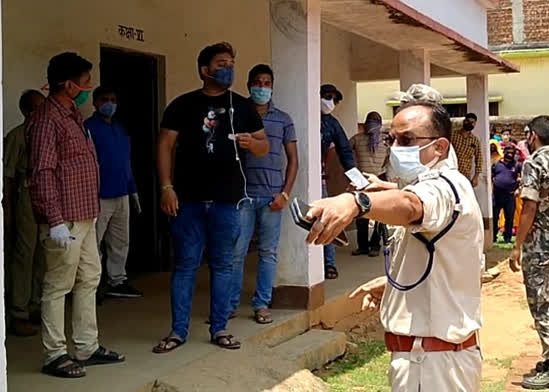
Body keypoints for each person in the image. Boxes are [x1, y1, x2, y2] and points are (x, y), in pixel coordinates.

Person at [307, 92, 484, 392]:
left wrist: (357, 202)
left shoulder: (444, 188)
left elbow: (412, 206)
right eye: (392, 140)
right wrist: (392, 283)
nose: (396, 148)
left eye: (407, 140)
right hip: (425, 359)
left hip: (432, 366)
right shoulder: (436, 185)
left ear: (440, 146)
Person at [154, 42, 268, 354]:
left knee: (223, 265)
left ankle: (219, 328)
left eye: (231, 62)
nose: (228, 68)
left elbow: (264, 146)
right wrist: (166, 187)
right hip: (187, 200)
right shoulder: (182, 105)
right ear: (205, 70)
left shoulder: (242, 107)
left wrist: (250, 144)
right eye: (221, 63)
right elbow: (164, 145)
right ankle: (178, 331)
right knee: (186, 265)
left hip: (227, 202)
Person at [28, 52, 124, 378]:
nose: (89, 87)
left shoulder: (73, 115)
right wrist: (54, 221)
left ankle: (86, 346)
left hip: (85, 214)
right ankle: (54, 354)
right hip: (64, 220)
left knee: (89, 279)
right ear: (67, 84)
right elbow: (42, 172)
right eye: (85, 82)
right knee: (57, 286)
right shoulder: (45, 120)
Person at [509, 115, 549, 390]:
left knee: (542, 303)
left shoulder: (534, 163)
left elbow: (530, 207)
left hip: (540, 245)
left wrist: (517, 245)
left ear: (533, 136)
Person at [230, 64, 298, 325]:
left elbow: (293, 160)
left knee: (267, 253)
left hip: (272, 198)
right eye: (257, 82)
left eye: (267, 82)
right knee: (236, 252)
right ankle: (230, 304)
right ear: (249, 85)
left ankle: (261, 304)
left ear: (272, 86)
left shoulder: (283, 119)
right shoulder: (238, 114)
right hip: (242, 196)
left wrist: (285, 194)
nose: (262, 87)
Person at [84, 86, 143, 299]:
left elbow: (125, 162)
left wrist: (133, 189)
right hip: (98, 195)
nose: (109, 103)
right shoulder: (88, 128)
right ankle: (92, 285)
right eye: (104, 99)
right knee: (94, 242)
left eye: (113, 99)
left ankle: (117, 280)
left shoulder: (119, 128)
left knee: (120, 241)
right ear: (95, 102)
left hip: (122, 192)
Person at [4, 89, 45, 337]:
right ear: (27, 111)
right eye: (38, 107)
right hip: (25, 198)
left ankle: (35, 304)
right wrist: (7, 210)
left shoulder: (44, 134)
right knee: (24, 255)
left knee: (42, 254)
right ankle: (18, 312)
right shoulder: (18, 136)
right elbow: (7, 178)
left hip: (44, 198)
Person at [319, 83, 356, 280]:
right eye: (326, 96)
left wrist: (355, 178)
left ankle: (329, 263)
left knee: (327, 221)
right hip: (294, 178)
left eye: (334, 99)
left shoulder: (332, 124)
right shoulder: (302, 116)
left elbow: (345, 151)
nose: (330, 102)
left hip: (321, 181)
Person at [350, 112, 389, 257]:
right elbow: (346, 151)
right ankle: (363, 246)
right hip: (360, 181)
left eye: (375, 121)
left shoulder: (385, 141)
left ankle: (375, 245)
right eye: (370, 121)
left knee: (379, 215)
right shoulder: (357, 139)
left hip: (378, 180)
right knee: (361, 214)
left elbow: (390, 159)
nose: (372, 124)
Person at [492, 143, 521, 244]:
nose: (510, 154)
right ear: (504, 152)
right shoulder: (497, 164)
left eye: (512, 153)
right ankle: (493, 237)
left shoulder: (517, 165)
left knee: (509, 217)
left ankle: (507, 237)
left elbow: (521, 178)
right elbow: (492, 177)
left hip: (510, 195)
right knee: (494, 217)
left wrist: (518, 189)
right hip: (497, 195)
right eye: (508, 152)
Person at [450, 112, 483, 187]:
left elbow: (479, 159)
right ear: (464, 121)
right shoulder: (452, 135)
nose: (469, 124)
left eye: (472, 122)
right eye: (468, 121)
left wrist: (476, 177)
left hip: (465, 175)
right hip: (451, 172)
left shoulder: (475, 141)